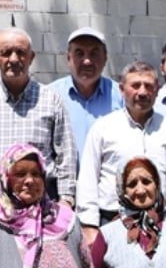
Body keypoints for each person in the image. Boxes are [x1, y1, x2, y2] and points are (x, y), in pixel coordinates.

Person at [0, 28, 76, 216]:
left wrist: (66, 198)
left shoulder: (51, 99)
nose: (13, 59)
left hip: (39, 197)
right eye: (6, 53)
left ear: (31, 57)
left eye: (20, 52)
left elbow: (65, 154)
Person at [77, 61, 166, 243]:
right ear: (121, 89)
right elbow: (88, 179)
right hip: (113, 221)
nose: (142, 92)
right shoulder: (103, 128)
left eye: (148, 86)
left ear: (157, 90)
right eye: (135, 85)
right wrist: (89, 225)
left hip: (164, 222)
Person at [48, 27, 124, 165]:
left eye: (94, 54)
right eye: (79, 53)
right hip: (63, 178)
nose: (87, 61)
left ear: (105, 58)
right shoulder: (50, 95)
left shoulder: (121, 96)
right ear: (68, 58)